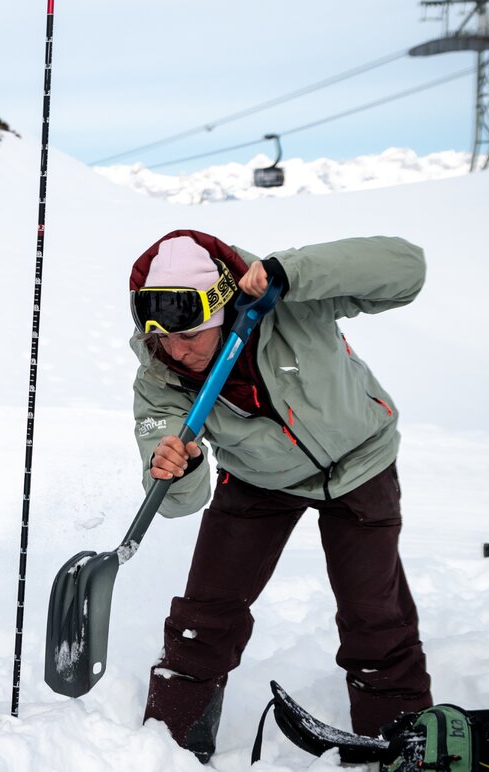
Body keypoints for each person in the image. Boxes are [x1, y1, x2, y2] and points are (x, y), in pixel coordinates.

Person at [128, 230, 432, 762]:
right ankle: (169, 747)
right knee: (205, 615)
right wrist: (178, 467)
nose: (178, 351)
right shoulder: (159, 377)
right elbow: (178, 501)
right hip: (256, 478)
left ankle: (399, 743)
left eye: (191, 336)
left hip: (360, 461)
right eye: (165, 340)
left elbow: (408, 270)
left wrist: (294, 271)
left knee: (373, 616)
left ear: (220, 309)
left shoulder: (289, 303)